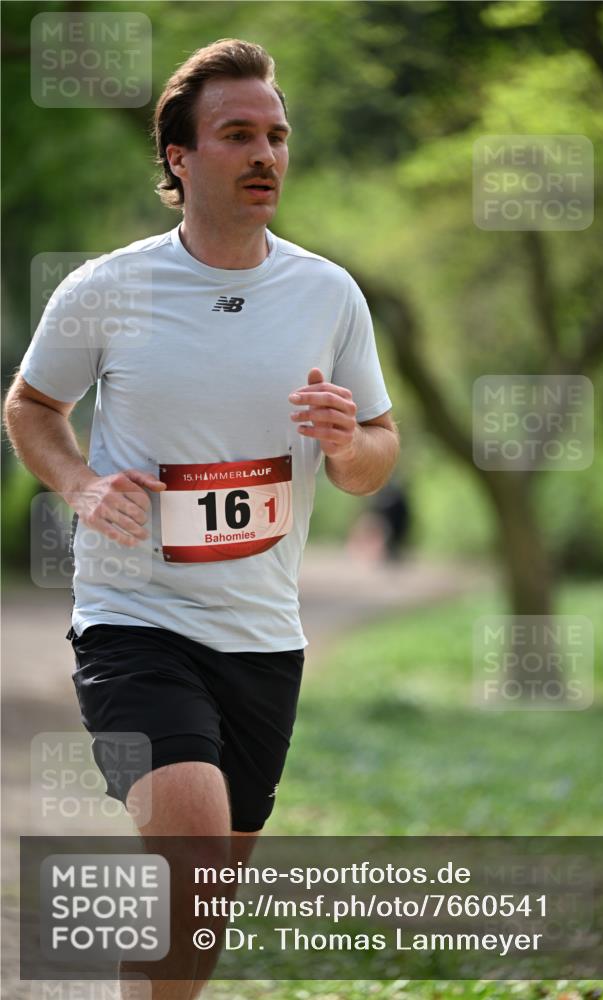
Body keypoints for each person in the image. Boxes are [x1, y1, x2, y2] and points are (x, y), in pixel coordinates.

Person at [3, 38, 399, 996]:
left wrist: (347, 443)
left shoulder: (326, 292)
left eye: (276, 136)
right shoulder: (106, 287)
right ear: (178, 159)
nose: (265, 154)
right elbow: (30, 407)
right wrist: (83, 485)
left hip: (263, 636)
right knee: (192, 850)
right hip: (135, 621)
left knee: (200, 909)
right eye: (237, 135)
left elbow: (376, 456)